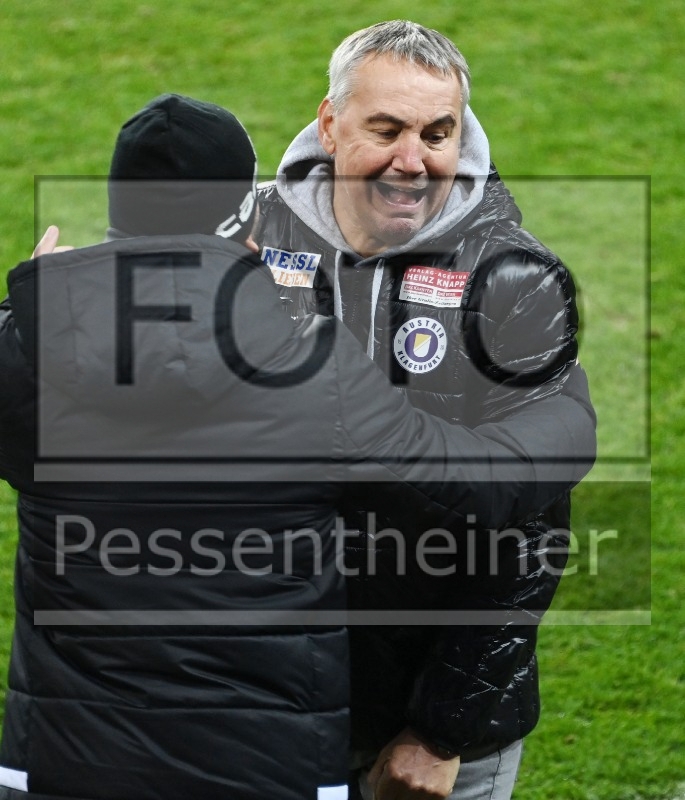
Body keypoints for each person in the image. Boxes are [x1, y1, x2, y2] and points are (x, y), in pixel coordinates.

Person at [0, 95, 594, 800]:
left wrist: (27, 310)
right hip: (265, 771)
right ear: (245, 223)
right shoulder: (316, 370)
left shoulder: (22, 353)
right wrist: (560, 402)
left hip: (61, 767)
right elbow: (481, 489)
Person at [255, 20, 596, 800]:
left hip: (429, 732)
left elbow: (531, 525)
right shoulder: (243, 238)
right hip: (264, 704)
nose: (413, 161)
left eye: (437, 134)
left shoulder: (515, 276)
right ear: (329, 123)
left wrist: (441, 729)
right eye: (386, 129)